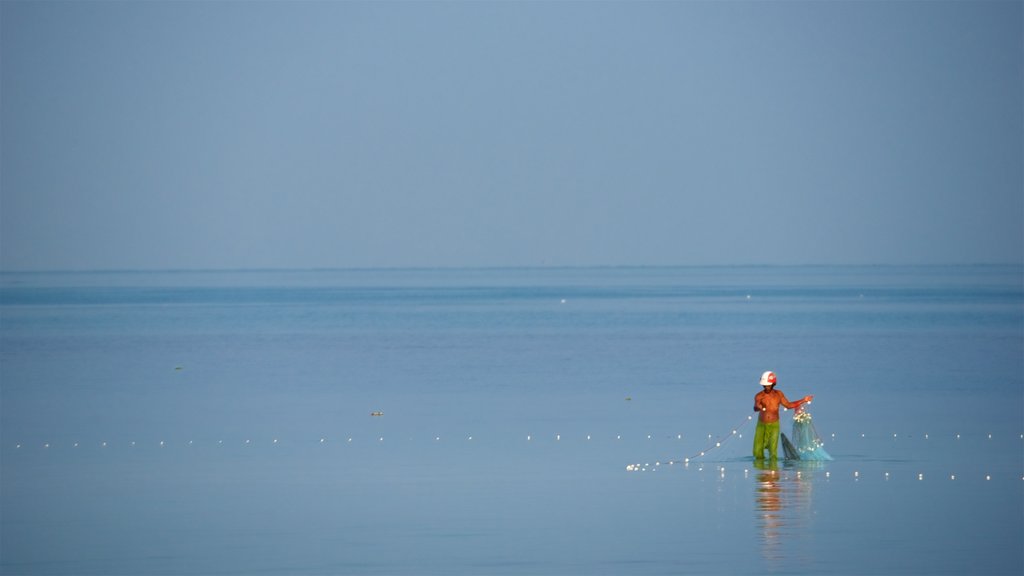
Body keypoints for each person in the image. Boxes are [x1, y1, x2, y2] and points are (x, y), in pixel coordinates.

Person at [752, 371, 812, 460]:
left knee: (773, 451)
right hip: (761, 425)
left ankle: (773, 471)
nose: (766, 387)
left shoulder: (778, 394)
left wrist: (803, 400)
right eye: (764, 385)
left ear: (773, 384)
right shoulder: (759, 396)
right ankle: (761, 471)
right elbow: (755, 408)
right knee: (758, 450)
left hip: (774, 425)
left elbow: (788, 405)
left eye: (768, 385)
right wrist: (758, 407)